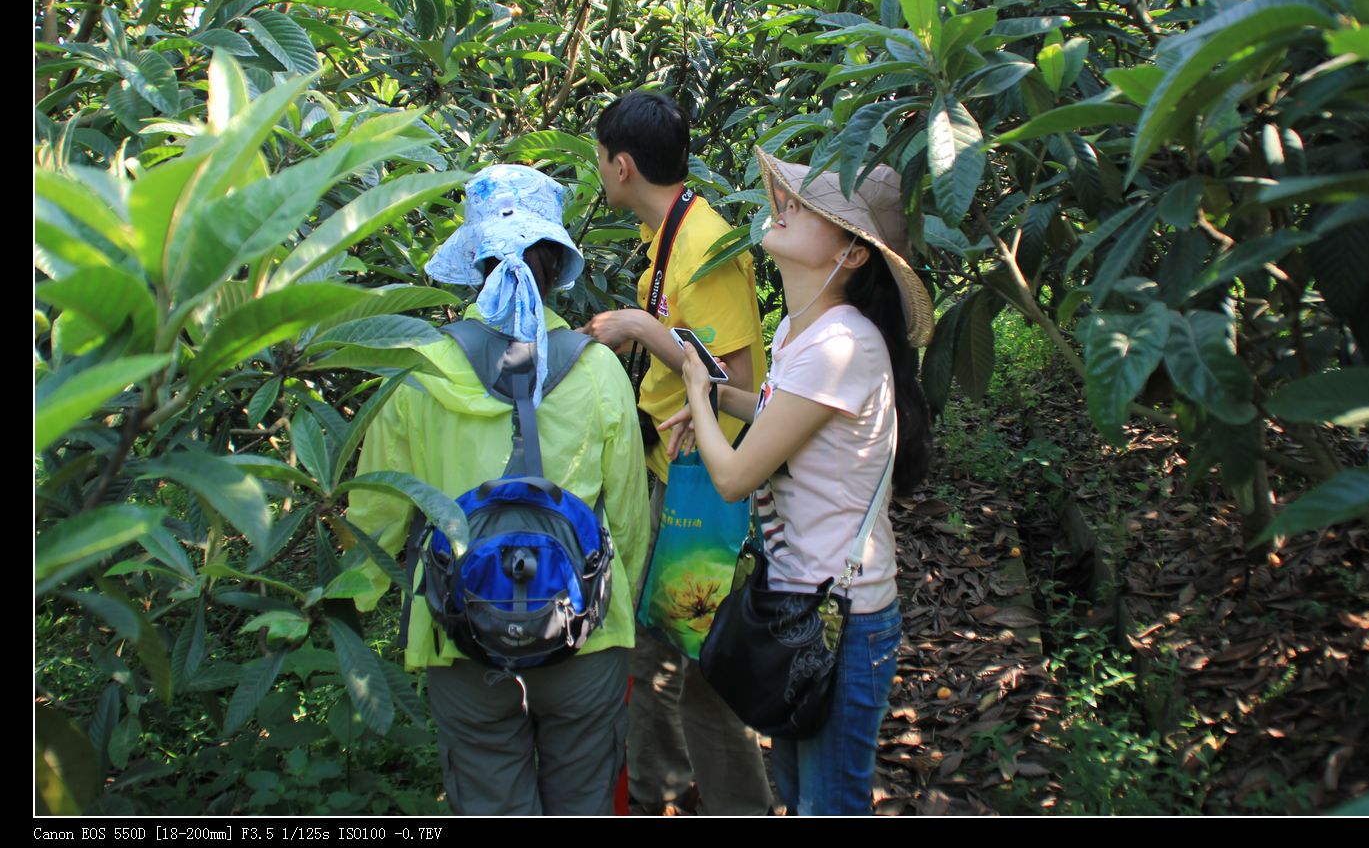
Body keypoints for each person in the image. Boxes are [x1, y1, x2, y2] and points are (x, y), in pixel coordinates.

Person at [346, 164, 647, 815]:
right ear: (555, 262)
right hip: (582, 632)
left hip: (463, 633)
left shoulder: (420, 368)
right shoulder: (597, 370)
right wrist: (622, 603)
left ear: (477, 259)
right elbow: (625, 519)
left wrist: (350, 602)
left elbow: (378, 510)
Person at [660, 148, 934, 816]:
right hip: (802, 604)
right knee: (798, 789)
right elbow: (788, 417)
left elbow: (733, 478)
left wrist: (698, 387)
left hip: (844, 616)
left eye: (810, 209)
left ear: (853, 254)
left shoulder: (841, 342)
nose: (783, 207)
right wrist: (724, 403)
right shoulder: (800, 330)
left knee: (828, 803)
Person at [580, 90, 772, 815]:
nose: (599, 171)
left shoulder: (702, 245)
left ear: (621, 165)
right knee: (666, 657)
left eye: (599, 160)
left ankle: (717, 801)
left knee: (688, 661)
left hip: (702, 490)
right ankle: (671, 791)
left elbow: (740, 388)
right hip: (676, 473)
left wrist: (641, 328)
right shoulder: (670, 235)